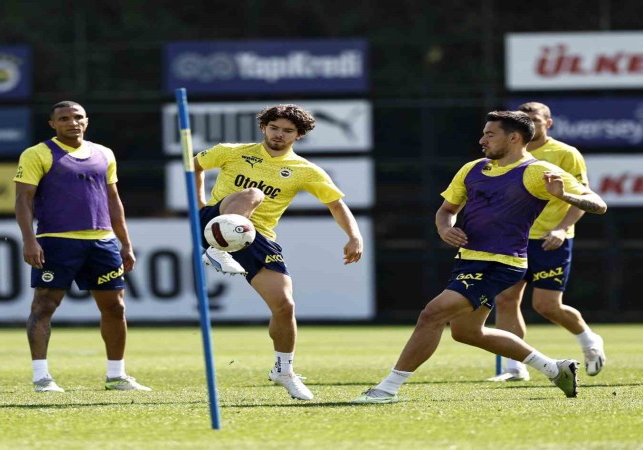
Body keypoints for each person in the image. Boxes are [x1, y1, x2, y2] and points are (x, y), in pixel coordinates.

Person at [352, 111, 607, 404]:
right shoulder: (472, 168)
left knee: (432, 314)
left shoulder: (537, 171)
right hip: (469, 260)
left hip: (501, 263)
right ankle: (554, 368)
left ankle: (387, 389)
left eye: (490, 134)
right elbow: (447, 210)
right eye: (484, 133)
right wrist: (445, 228)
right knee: (467, 333)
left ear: (514, 138)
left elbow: (598, 204)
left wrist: (564, 196)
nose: (482, 140)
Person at [194, 104, 364, 400]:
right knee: (253, 193)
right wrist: (199, 205)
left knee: (285, 306)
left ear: (298, 136)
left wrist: (354, 235)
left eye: (287, 131)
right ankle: (218, 249)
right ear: (264, 127)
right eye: (274, 128)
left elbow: (336, 205)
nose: (279, 135)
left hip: (257, 238)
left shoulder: (305, 170)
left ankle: (283, 370)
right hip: (216, 223)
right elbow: (193, 165)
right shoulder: (232, 152)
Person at [14, 100, 151, 393]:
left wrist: (125, 243)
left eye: (77, 117)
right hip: (57, 241)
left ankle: (116, 375)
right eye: (64, 118)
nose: (72, 123)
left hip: (102, 242)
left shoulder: (104, 154)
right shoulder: (38, 154)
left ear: (86, 121)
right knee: (44, 305)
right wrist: (29, 239)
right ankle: (41, 377)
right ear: (52, 124)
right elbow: (23, 199)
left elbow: (113, 200)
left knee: (115, 307)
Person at [489, 102, 605, 382]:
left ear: (548, 123)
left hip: (549, 239)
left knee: (546, 305)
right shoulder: (507, 152)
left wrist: (562, 229)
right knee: (505, 299)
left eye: (536, 120)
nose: (530, 124)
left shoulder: (565, 154)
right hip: (512, 241)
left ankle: (589, 341)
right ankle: (514, 367)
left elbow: (584, 197)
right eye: (524, 120)